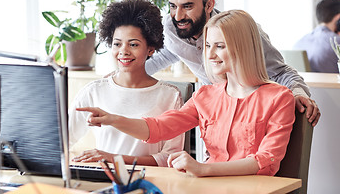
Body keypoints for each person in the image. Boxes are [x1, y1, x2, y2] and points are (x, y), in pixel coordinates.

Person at [78, 10, 295, 177]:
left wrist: (202, 169)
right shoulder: (205, 96)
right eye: (208, 45)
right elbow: (159, 127)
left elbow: (266, 160)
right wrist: (113, 119)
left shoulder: (279, 98)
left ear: (243, 47)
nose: (209, 54)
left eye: (219, 46)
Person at [144, 0, 320, 126]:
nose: (178, 16)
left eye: (187, 6)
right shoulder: (171, 27)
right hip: (213, 114)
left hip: (250, 118)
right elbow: (171, 52)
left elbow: (281, 72)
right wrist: (126, 74)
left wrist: (298, 93)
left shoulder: (242, 31)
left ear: (209, 4)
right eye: (173, 6)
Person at [69, 0, 184, 167]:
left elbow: (170, 158)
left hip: (151, 183)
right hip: (105, 181)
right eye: (117, 44)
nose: (123, 51)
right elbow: (62, 140)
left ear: (150, 49)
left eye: (133, 44)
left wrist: (115, 159)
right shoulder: (94, 92)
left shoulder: (170, 96)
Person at [294, 0, 340, 73]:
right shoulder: (336, 41)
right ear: (338, 17)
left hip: (305, 85)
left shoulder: (299, 43)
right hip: (332, 84)